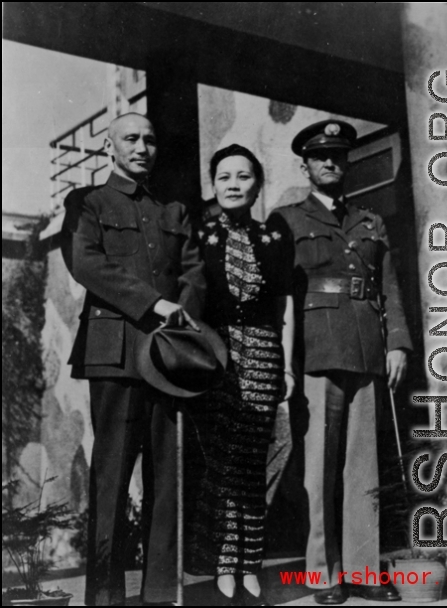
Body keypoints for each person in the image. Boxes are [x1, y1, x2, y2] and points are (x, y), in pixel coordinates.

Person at [61, 112, 206, 607]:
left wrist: (183, 313)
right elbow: (85, 262)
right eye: (131, 138)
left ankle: (161, 592)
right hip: (115, 354)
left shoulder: (174, 211)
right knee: (112, 479)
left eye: (149, 138)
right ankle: (105, 597)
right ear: (110, 146)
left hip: (166, 357)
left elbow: (194, 273)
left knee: (167, 478)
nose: (142, 146)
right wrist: (154, 303)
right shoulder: (88, 202)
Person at [271, 120, 412, 605]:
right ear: (305, 165)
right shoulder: (286, 220)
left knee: (362, 469)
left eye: (338, 154)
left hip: (367, 348)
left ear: (347, 161)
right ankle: (321, 575)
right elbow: (279, 297)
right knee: (319, 471)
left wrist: (397, 342)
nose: (331, 162)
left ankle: (364, 570)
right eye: (320, 156)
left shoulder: (370, 221)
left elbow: (388, 285)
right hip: (316, 351)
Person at [186, 144, 295, 606]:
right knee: (222, 466)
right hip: (216, 356)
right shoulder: (201, 237)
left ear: (257, 184)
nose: (233, 184)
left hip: (265, 355)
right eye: (224, 176)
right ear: (213, 185)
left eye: (243, 176)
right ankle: (223, 566)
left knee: (253, 465)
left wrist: (286, 365)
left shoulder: (274, 239)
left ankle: (251, 565)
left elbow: (282, 306)